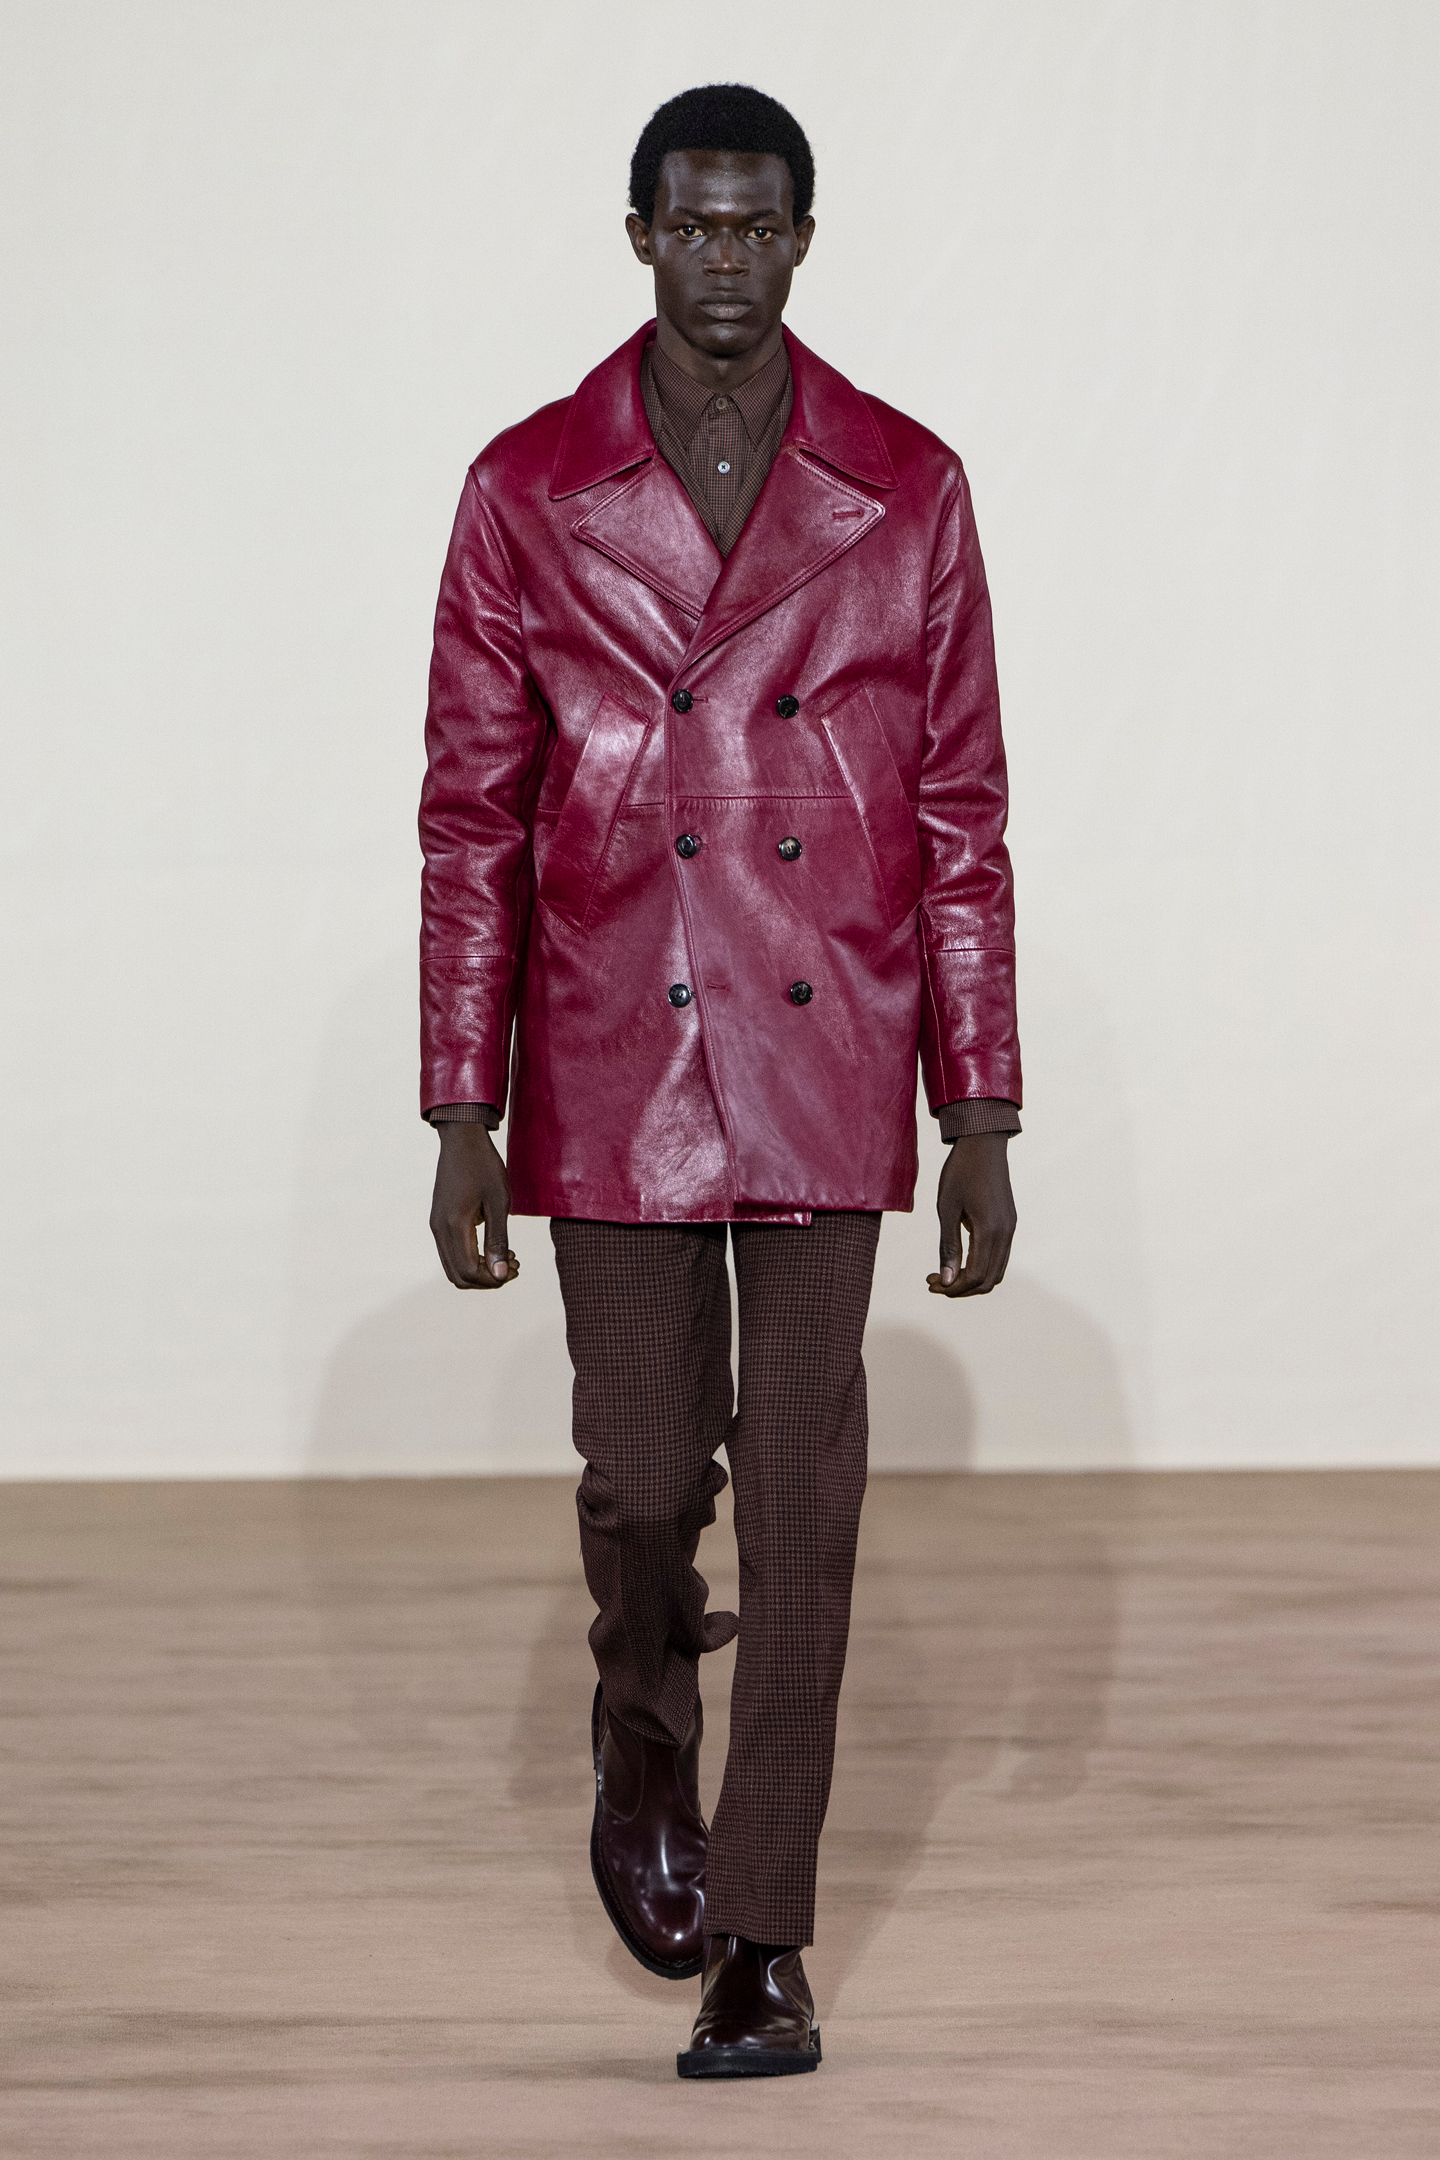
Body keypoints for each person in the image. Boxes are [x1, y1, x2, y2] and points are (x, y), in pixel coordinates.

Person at [419, 82, 1020, 2080]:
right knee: (644, 1475)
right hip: (612, 1045)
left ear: (805, 241)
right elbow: (471, 817)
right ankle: (641, 1720)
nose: (727, 259)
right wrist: (460, 1107)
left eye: (759, 227)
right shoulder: (526, 487)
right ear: (639, 236)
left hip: (833, 1043)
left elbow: (961, 813)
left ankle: (766, 1938)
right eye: (694, 225)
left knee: (808, 1501)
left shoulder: (909, 488)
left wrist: (982, 1111)